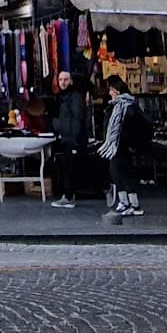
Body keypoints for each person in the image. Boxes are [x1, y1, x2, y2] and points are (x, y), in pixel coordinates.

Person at [97, 74, 146, 220]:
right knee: (121, 173)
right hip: (118, 145)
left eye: (111, 89)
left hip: (121, 145)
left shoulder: (124, 106)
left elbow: (125, 127)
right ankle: (129, 203)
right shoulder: (121, 105)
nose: (109, 92)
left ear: (116, 90)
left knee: (119, 172)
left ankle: (130, 203)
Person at [50, 70, 89, 208]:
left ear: (71, 81)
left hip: (72, 137)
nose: (63, 82)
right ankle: (66, 195)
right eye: (60, 79)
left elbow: (77, 119)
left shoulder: (74, 97)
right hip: (66, 136)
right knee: (66, 167)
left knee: (70, 168)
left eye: (65, 79)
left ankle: (68, 196)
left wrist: (59, 126)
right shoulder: (63, 97)